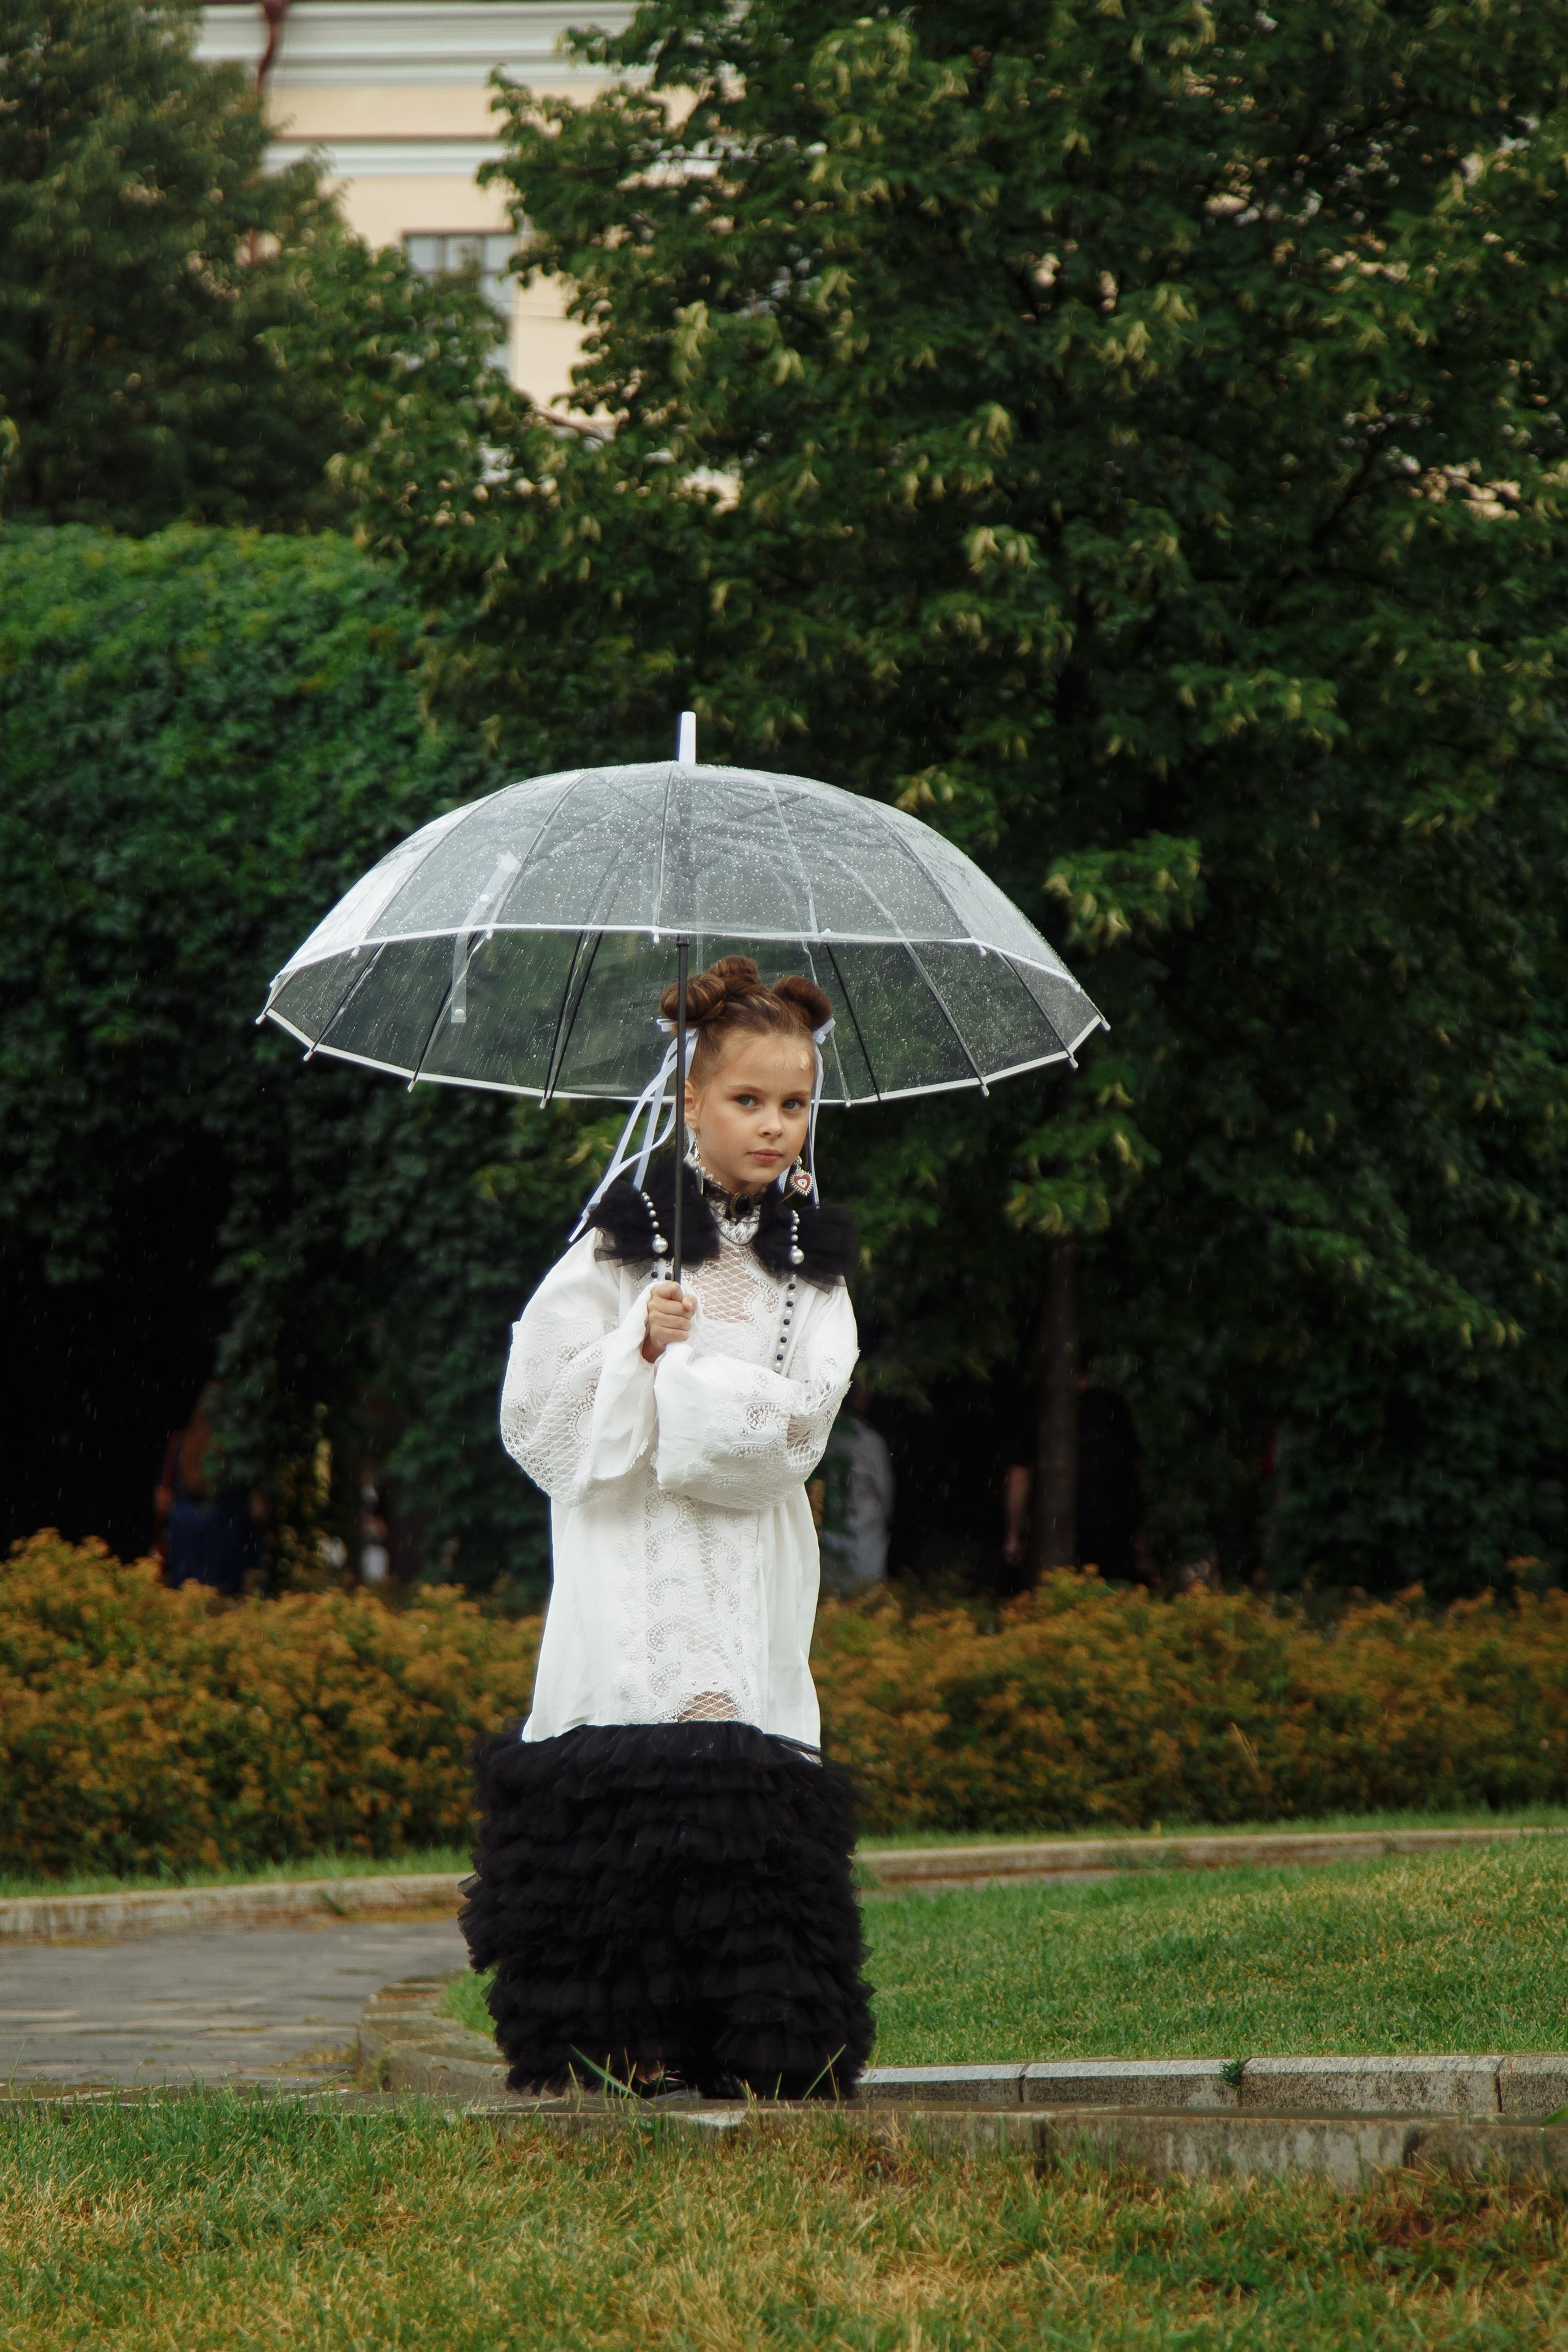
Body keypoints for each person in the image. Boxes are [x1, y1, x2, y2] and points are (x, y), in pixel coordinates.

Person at [460, 956, 875, 2100]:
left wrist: (684, 1380)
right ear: (691, 1098)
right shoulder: (619, 1244)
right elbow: (537, 1420)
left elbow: (799, 1430)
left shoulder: (811, 1274)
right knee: (630, 1768)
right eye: (747, 1100)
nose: (774, 1126)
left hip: (744, 1565)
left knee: (739, 1770)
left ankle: (754, 2039)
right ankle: (615, 2039)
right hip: (630, 1561)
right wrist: (633, 1344)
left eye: (794, 1104)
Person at [1002, 1370, 1148, 1587]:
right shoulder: (1111, 1406)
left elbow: (1019, 1474)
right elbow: (1135, 1470)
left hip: (1060, 1523)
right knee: (1112, 1593)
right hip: (1113, 1523)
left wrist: (1013, 1534)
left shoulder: (1040, 1407)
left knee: (1057, 1590)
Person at [813, 1381, 895, 1595]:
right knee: (864, 1595)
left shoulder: (824, 1434)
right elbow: (886, 1493)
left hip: (831, 1532)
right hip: (863, 1536)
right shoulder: (869, 1441)